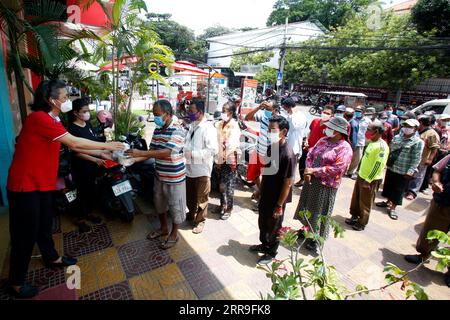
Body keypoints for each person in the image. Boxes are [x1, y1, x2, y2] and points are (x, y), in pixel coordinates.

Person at [6, 79, 124, 298]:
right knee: (25, 234)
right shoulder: (39, 119)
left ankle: (52, 257)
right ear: (52, 100)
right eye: (64, 97)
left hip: (41, 183)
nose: (67, 100)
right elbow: (75, 143)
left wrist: (104, 153)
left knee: (44, 225)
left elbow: (75, 142)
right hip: (25, 185)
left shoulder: (53, 119)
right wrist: (107, 145)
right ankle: (16, 282)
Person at [127, 100, 187, 249]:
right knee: (159, 204)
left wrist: (140, 152)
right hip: (159, 174)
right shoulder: (158, 129)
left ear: (167, 114)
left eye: (157, 115)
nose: (155, 118)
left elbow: (167, 152)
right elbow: (151, 152)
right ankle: (163, 228)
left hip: (175, 178)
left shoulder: (178, 129)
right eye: (154, 115)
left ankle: (174, 234)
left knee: (176, 207)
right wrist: (132, 160)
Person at [295, 117, 353, 253]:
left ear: (339, 132)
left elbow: (338, 168)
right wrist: (308, 171)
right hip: (311, 181)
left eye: (330, 128)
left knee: (320, 211)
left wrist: (314, 171)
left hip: (325, 185)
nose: (327, 129)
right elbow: (310, 155)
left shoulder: (344, 148)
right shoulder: (323, 140)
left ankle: (315, 239)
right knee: (307, 205)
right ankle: (306, 229)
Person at [249, 116, 296, 265]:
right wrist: (259, 190)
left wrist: (279, 205)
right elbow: (267, 173)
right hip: (266, 193)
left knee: (274, 226)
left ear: (283, 131)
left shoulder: (288, 154)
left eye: (272, 130)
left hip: (277, 198)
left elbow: (288, 183)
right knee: (263, 221)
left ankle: (271, 252)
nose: (269, 133)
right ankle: (264, 244)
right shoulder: (272, 147)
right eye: (268, 130)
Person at [404, 153, 450, 288]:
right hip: (442, 202)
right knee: (431, 230)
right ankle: (423, 255)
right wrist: (436, 182)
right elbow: (437, 170)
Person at [67, 98, 106, 233]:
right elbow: (76, 152)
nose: (87, 113)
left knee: (91, 191)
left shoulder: (87, 124)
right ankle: (80, 219)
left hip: (93, 165)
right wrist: (95, 159)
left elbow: (93, 142)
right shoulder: (72, 129)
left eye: (88, 111)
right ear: (76, 113)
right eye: (84, 111)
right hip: (81, 166)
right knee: (82, 193)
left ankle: (88, 213)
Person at [376, 119, 424, 220]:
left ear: (415, 129)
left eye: (410, 127)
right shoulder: (397, 137)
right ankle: (388, 202)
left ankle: (393, 208)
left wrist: (410, 171)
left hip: (404, 170)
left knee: (399, 190)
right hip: (392, 167)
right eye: (405, 125)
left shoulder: (418, 142)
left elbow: (416, 158)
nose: (407, 128)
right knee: (389, 186)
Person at [346, 121, 389, 231]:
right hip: (361, 175)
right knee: (356, 199)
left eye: (369, 129)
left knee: (365, 202)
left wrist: (368, 180)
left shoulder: (382, 147)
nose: (367, 131)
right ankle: (354, 215)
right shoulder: (371, 142)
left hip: (371, 179)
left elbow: (378, 165)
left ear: (377, 131)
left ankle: (362, 222)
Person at [184, 100, 218, 233]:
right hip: (189, 169)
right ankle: (191, 213)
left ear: (200, 112)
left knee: (202, 198)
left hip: (202, 170)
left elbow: (212, 150)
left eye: (192, 111)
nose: (189, 114)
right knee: (190, 196)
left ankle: (200, 221)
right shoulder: (192, 125)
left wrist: (192, 154)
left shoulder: (208, 128)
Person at [295, 105, 334, 187]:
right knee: (302, 163)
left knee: (313, 167)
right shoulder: (315, 121)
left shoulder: (330, 126)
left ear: (332, 115)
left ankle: (310, 183)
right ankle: (302, 179)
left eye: (328, 113)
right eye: (324, 112)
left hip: (318, 152)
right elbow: (310, 132)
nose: (325, 114)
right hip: (307, 147)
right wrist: (306, 140)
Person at [245, 100, 276, 201]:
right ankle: (260, 191)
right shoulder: (263, 117)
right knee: (253, 174)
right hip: (258, 151)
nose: (266, 110)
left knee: (267, 179)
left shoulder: (279, 121)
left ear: (275, 110)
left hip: (269, 154)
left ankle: (262, 196)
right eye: (265, 108)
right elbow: (248, 117)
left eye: (268, 109)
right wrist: (258, 107)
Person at [214, 101, 241, 220]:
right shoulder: (219, 124)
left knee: (229, 186)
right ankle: (222, 205)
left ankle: (229, 208)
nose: (222, 113)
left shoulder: (234, 126)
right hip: (220, 158)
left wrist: (222, 160)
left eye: (224, 110)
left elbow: (231, 145)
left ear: (230, 113)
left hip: (229, 160)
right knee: (221, 184)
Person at [406, 115, 440, 200]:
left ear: (421, 122)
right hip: (411, 157)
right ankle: (406, 189)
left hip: (422, 158)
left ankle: (412, 192)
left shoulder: (432, 134)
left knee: (418, 176)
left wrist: (430, 159)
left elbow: (434, 148)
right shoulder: (417, 131)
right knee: (409, 174)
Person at [280, 97, 308, 182]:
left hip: (294, 147)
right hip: (287, 145)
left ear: (289, 107)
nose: (284, 110)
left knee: (290, 171)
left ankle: (288, 189)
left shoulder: (300, 116)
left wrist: (292, 114)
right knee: (284, 170)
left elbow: (294, 127)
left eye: (285, 108)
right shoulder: (290, 115)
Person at [346, 106, 371, 180]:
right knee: (347, 157)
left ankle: (351, 172)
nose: (357, 112)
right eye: (356, 111)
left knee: (357, 158)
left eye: (359, 111)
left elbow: (370, 130)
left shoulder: (367, 121)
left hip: (360, 142)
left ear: (363, 112)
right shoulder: (351, 119)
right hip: (350, 141)